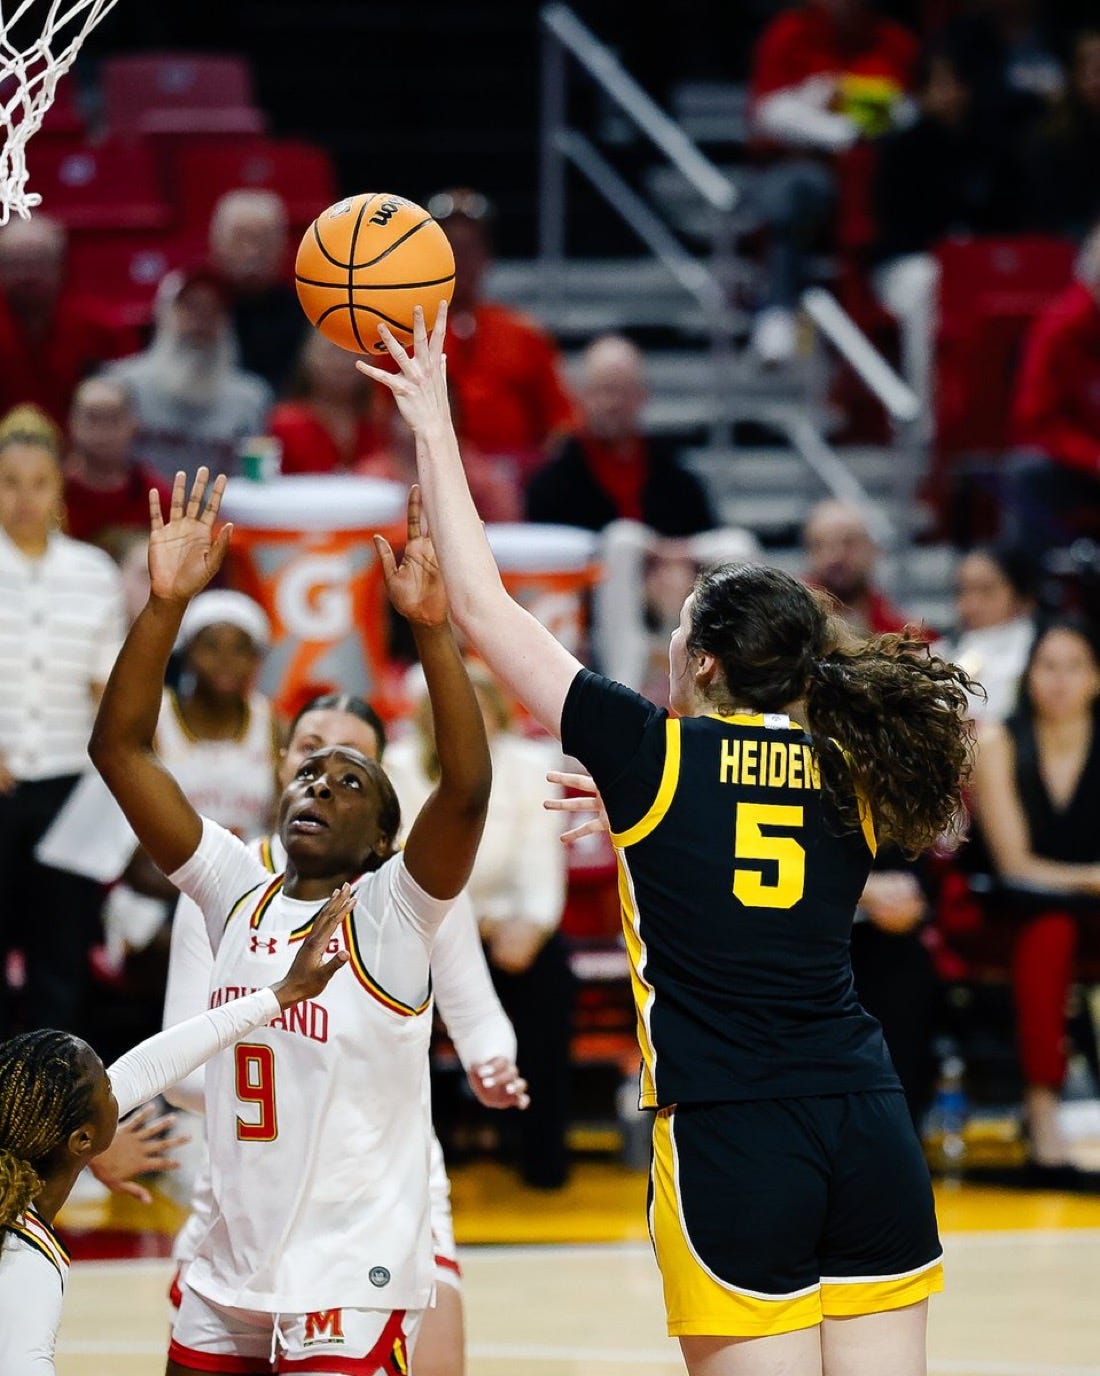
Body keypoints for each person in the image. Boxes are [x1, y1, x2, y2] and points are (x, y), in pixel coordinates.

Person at [360, 304, 976, 1375]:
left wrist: (431, 418)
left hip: (735, 1133)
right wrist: (647, 829)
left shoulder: (652, 756)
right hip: (866, 1118)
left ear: (703, 664)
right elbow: (758, 829)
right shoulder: (851, 761)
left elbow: (482, 606)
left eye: (681, 632)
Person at [88, 468, 493, 1374]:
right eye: (309, 772)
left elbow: (467, 790)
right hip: (229, 1263)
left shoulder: (393, 911)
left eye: (351, 781)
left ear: (383, 837)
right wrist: (163, 606)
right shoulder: (234, 883)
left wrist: (432, 628)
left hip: (347, 1273)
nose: (320, 784)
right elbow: (119, 750)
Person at [163, 689, 524, 1376]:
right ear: (282, 765)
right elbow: (179, 1066)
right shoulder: (225, 879)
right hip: (245, 1195)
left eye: (352, 763)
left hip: (377, 1195)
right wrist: (295, 1080)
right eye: (309, 754)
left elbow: (478, 1016)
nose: (325, 777)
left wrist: (493, 1063)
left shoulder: (411, 888)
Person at [0, 889, 354, 1376]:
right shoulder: (23, 1259)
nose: (120, 1086)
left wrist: (281, 994)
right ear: (81, 1141)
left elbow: (152, 1064)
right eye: (108, 1086)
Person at [386, 663, 572, 1188]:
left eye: (478, 707)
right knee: (397, 991)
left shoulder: (532, 765)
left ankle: (542, 1153)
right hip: (425, 927)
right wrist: (465, 925)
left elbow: (540, 861)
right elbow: (402, 861)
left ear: (498, 714)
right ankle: (419, 1154)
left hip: (507, 925)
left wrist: (533, 924)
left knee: (549, 975)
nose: (465, 717)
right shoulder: (399, 766)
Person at [0, 406, 126, 1038]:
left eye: (38, 482)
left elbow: (107, 685)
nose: (25, 498)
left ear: (59, 487)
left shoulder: (93, 573)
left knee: (61, 951)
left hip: (69, 785)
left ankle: (52, 1083)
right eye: (9, 482)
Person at [970, 618, 1100, 1177]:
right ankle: (1042, 1114)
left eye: (1074, 666)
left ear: (1095, 678)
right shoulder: (998, 741)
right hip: (1013, 911)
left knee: (1065, 930)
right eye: (1048, 665)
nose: (1060, 680)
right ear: (1028, 675)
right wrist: (1091, 878)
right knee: (1051, 933)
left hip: (1092, 913)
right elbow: (1015, 864)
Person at [102, 589, 277, 975]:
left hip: (248, 896)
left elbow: (280, 828)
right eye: (211, 646)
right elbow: (122, 852)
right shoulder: (155, 718)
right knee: (180, 944)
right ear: (187, 650)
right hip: (157, 892)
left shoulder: (273, 723)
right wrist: (206, 894)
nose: (226, 660)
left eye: (240, 649)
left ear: (257, 659)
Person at [747, 0, 918, 364]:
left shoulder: (894, 41)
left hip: (879, 181)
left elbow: (914, 109)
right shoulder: (790, 33)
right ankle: (781, 316)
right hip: (811, 176)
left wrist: (863, 107)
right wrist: (828, 120)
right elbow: (767, 114)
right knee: (796, 196)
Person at [871, 45, 1019, 429]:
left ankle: (1010, 424)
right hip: (907, 265)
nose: (951, 93)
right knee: (928, 284)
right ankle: (924, 425)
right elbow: (895, 227)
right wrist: (949, 251)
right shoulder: (901, 149)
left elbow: (1005, 218)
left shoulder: (988, 147)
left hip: (976, 263)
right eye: (940, 84)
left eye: (956, 83)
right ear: (921, 92)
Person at [426, 188, 579, 480]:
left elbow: (562, 422)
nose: (460, 258)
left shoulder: (524, 333)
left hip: (514, 479)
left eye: (470, 247)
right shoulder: (405, 334)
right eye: (449, 246)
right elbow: (381, 420)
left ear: (488, 256)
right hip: (427, 473)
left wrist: (539, 476)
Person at [525, 335, 718, 536]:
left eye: (622, 391)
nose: (612, 404)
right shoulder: (551, 485)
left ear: (642, 395)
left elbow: (704, 534)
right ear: (581, 396)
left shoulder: (676, 478)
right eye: (602, 391)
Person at [106, 266, 273, 481]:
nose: (201, 321)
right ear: (165, 314)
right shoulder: (122, 387)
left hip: (221, 503)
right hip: (145, 503)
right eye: (190, 308)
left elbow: (256, 481)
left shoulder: (250, 400)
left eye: (213, 311)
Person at [1005, 221, 1100, 557]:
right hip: (1077, 465)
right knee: (1029, 470)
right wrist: (1093, 457)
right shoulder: (1057, 329)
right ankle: (1028, 580)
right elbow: (1036, 421)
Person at [0, 215, 134, 427]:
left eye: (38, 263)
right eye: (15, 264)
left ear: (61, 266)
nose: (27, 275)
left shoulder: (101, 330)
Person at [208, 189, 307, 395]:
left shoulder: (304, 312)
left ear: (283, 247)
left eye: (263, 240)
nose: (252, 251)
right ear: (217, 244)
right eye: (241, 239)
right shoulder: (195, 308)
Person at [62, 376, 173, 546]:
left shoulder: (157, 497)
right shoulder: (52, 490)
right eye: (92, 418)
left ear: (133, 424)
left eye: (113, 419)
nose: (102, 431)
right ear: (72, 423)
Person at [941, 545, 1037, 723]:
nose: (971, 604)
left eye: (986, 590)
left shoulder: (1039, 653)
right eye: (962, 590)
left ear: (1021, 596)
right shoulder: (942, 649)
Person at [267, 331, 383, 475]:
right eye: (332, 352)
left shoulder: (379, 422)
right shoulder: (285, 423)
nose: (342, 363)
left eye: (352, 353)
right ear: (309, 358)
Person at [1024, 28, 1100, 241]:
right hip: (1066, 240)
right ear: (1074, 75)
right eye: (1092, 70)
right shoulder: (1050, 139)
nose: (1098, 80)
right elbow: (1046, 214)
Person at [802, 498, 912, 634]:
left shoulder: (901, 632)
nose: (835, 556)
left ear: (873, 549)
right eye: (820, 545)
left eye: (849, 543)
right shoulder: (789, 628)